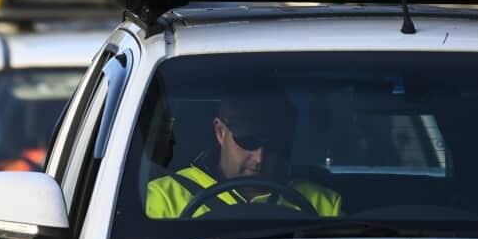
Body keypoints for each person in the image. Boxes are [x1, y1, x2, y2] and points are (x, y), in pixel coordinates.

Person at [145, 88, 342, 218]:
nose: (259, 158)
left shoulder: (323, 204)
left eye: (273, 145)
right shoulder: (162, 198)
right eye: (248, 141)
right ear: (220, 132)